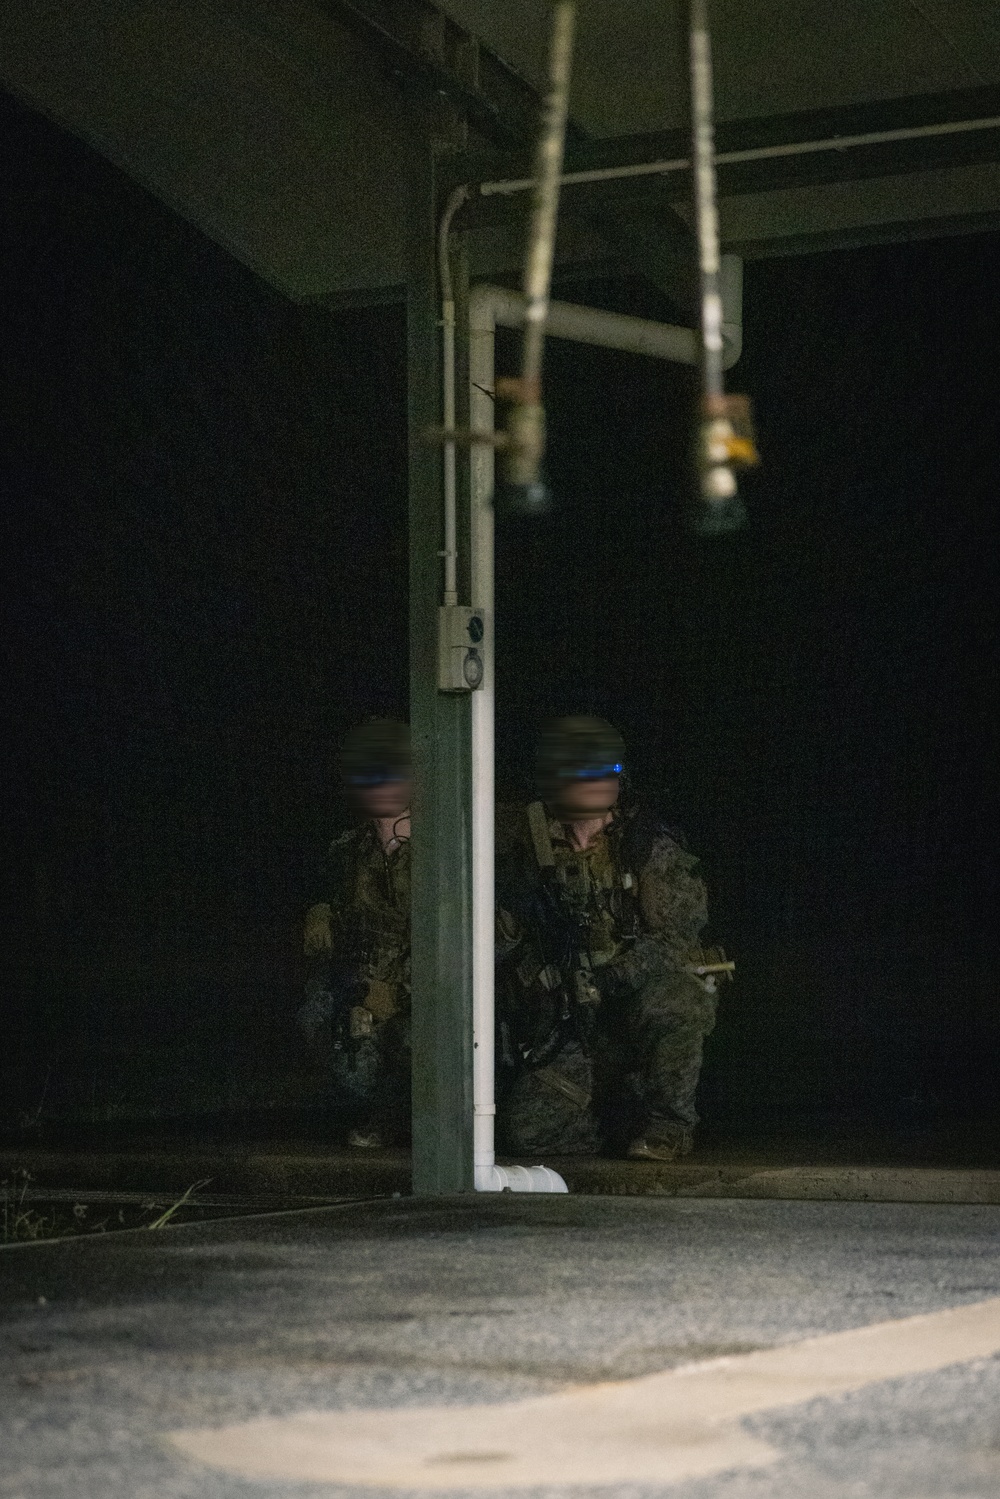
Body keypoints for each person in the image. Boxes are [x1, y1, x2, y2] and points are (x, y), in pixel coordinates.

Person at [495, 715, 721, 1162]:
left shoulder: (646, 847)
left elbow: (674, 939)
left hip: (636, 1004)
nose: (595, 782)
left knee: (678, 999)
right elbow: (504, 938)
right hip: (572, 1019)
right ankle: (616, 1123)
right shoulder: (528, 853)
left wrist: (611, 977)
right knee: (529, 1132)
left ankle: (669, 1126)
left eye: (607, 770)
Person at [299, 719, 411, 1149]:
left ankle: (402, 1114)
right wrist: (319, 913)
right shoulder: (347, 850)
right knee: (319, 1015)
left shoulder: (443, 849)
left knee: (413, 1041)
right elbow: (331, 903)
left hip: (421, 989)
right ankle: (379, 1107)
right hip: (363, 983)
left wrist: (402, 992)